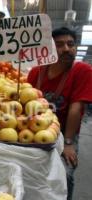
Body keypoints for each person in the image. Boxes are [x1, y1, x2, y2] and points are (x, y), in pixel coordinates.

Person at [27, 27, 92, 200]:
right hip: (36, 130)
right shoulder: (36, 72)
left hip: (66, 133)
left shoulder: (82, 71)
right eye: (60, 44)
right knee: (36, 173)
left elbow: (76, 109)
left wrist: (69, 143)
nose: (67, 49)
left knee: (65, 174)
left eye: (71, 44)